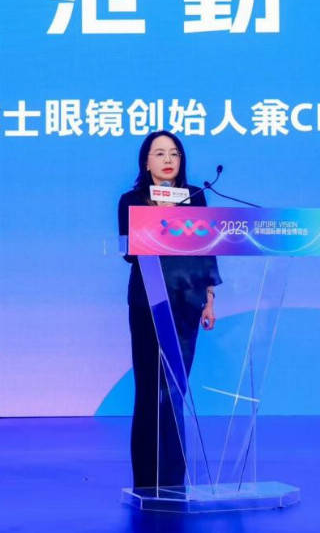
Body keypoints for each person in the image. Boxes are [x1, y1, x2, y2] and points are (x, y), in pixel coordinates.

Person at [117, 130, 221, 490]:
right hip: (147, 303)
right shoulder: (131, 200)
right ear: (146, 162)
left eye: (174, 153)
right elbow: (129, 252)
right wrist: (157, 216)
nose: (167, 160)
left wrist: (210, 298)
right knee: (150, 390)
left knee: (174, 392)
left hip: (187, 303)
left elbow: (206, 249)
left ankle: (174, 481)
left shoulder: (195, 197)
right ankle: (147, 481)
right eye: (159, 153)